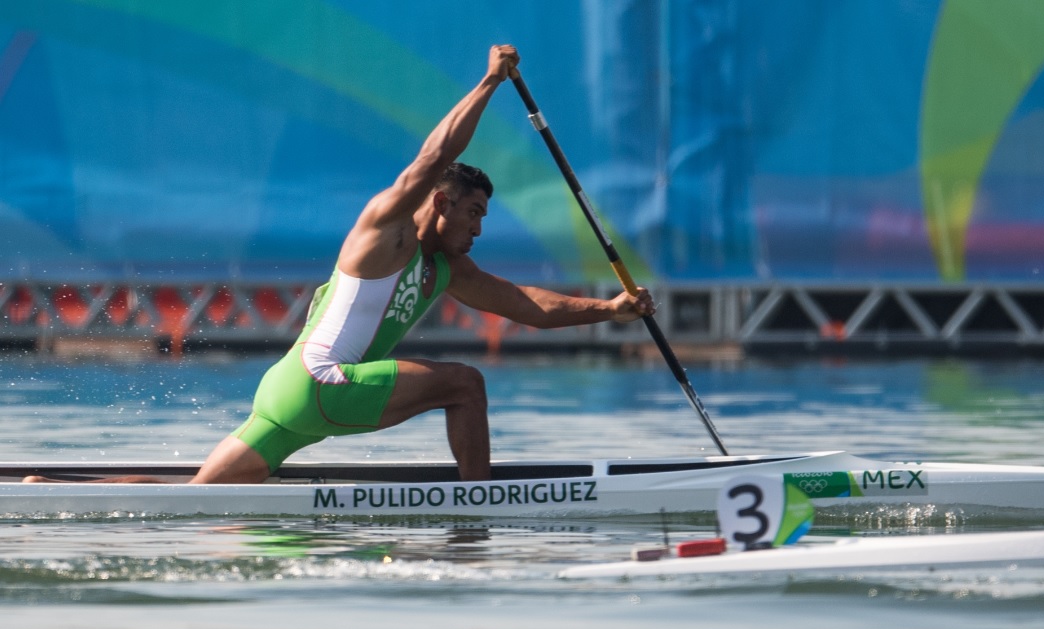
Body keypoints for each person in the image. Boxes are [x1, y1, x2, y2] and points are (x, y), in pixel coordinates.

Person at [25, 44, 653, 485]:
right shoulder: (384, 233)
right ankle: (478, 510)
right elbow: (432, 156)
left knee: (200, 498)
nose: (479, 226)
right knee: (466, 383)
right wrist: (489, 83)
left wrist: (612, 308)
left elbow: (525, 307)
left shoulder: (446, 269)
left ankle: (49, 484)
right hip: (319, 382)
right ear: (441, 202)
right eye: (474, 212)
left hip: (291, 395)